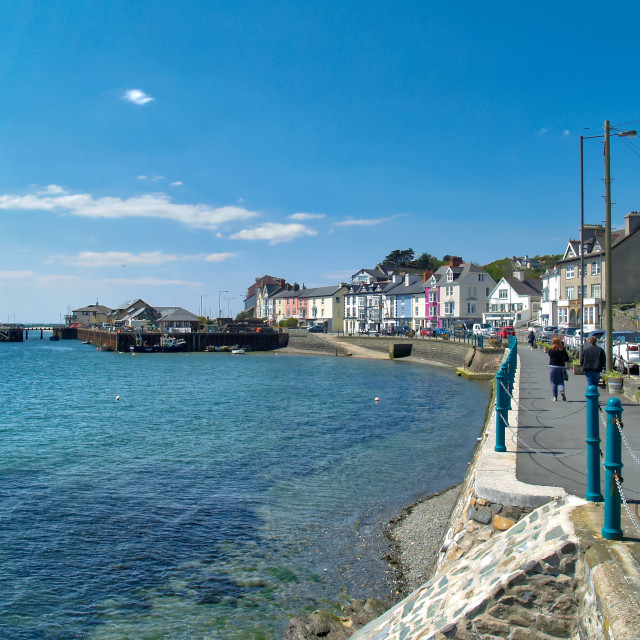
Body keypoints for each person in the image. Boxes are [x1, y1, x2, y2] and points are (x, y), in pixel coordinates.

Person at [548, 336, 570, 401]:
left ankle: (555, 397)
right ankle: (562, 391)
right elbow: (567, 358)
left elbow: (550, 355)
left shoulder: (551, 350)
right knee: (560, 381)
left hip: (552, 366)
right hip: (561, 367)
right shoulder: (562, 350)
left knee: (553, 382)